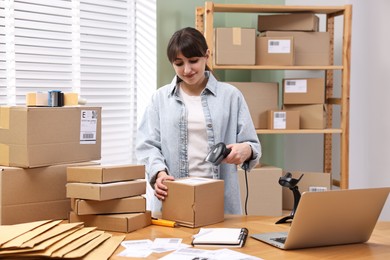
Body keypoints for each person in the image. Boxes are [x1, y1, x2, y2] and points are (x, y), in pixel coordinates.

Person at [136, 27, 261, 214]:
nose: (187, 70)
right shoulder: (159, 99)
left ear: (206, 56)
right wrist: (159, 173)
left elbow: (253, 144)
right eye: (179, 63)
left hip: (220, 200)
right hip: (173, 198)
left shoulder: (231, 96)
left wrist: (247, 150)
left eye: (193, 61)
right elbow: (147, 145)